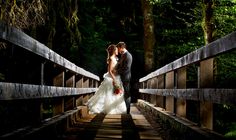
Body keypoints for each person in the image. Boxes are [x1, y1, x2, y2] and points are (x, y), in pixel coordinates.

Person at [86, 44, 127, 114]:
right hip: (111, 78)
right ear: (114, 51)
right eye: (116, 50)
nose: (117, 51)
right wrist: (114, 79)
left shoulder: (116, 58)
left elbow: (115, 69)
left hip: (116, 77)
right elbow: (110, 71)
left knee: (115, 93)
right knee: (109, 93)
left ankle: (115, 108)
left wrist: (118, 72)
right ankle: (108, 108)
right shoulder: (111, 58)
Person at [116, 42, 133, 114]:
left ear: (122, 47)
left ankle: (127, 110)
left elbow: (127, 68)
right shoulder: (123, 55)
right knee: (123, 93)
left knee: (127, 93)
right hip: (122, 76)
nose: (118, 50)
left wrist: (117, 72)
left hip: (126, 77)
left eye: (118, 48)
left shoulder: (128, 55)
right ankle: (124, 109)